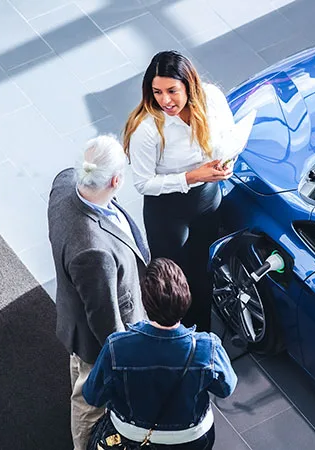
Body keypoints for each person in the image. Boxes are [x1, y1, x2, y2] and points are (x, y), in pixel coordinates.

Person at [48, 135, 151, 450]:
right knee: (88, 400)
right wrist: (123, 358)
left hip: (73, 310)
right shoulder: (93, 250)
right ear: (117, 180)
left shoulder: (65, 183)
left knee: (79, 374)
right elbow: (104, 318)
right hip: (93, 339)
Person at [123, 50, 236, 331]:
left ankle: (204, 334)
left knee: (203, 273)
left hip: (207, 199)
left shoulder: (211, 100)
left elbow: (228, 135)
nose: (165, 100)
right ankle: (175, 336)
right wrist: (192, 176)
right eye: (157, 92)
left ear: (189, 85)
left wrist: (228, 161)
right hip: (167, 211)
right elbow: (143, 183)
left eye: (172, 90)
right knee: (172, 282)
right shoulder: (147, 129)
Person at [83, 258, 237, 449]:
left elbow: (92, 396)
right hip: (191, 438)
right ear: (186, 297)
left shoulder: (117, 347)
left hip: (132, 438)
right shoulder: (208, 347)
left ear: (145, 301)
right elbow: (225, 388)